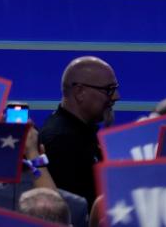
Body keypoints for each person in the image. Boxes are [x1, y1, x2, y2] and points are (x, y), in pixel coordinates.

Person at [40, 57, 120, 207]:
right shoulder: (61, 142)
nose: (116, 97)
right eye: (109, 90)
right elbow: (69, 213)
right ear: (80, 92)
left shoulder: (81, 133)